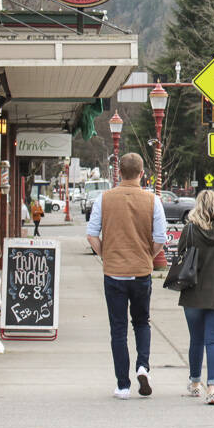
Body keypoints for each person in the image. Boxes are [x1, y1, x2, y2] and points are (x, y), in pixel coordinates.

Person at [86, 152, 166, 400]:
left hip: (114, 273)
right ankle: (143, 366)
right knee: (142, 322)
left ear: (119, 173)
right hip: (141, 272)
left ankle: (123, 385)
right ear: (142, 174)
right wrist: (146, 255)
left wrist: (105, 256)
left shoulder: (104, 199)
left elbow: (92, 234)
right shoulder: (153, 201)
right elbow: (161, 239)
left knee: (118, 329)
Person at [175, 189, 214, 406]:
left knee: (196, 340)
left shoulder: (190, 230)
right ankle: (212, 387)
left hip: (194, 292)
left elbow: (180, 255)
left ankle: (195, 383)